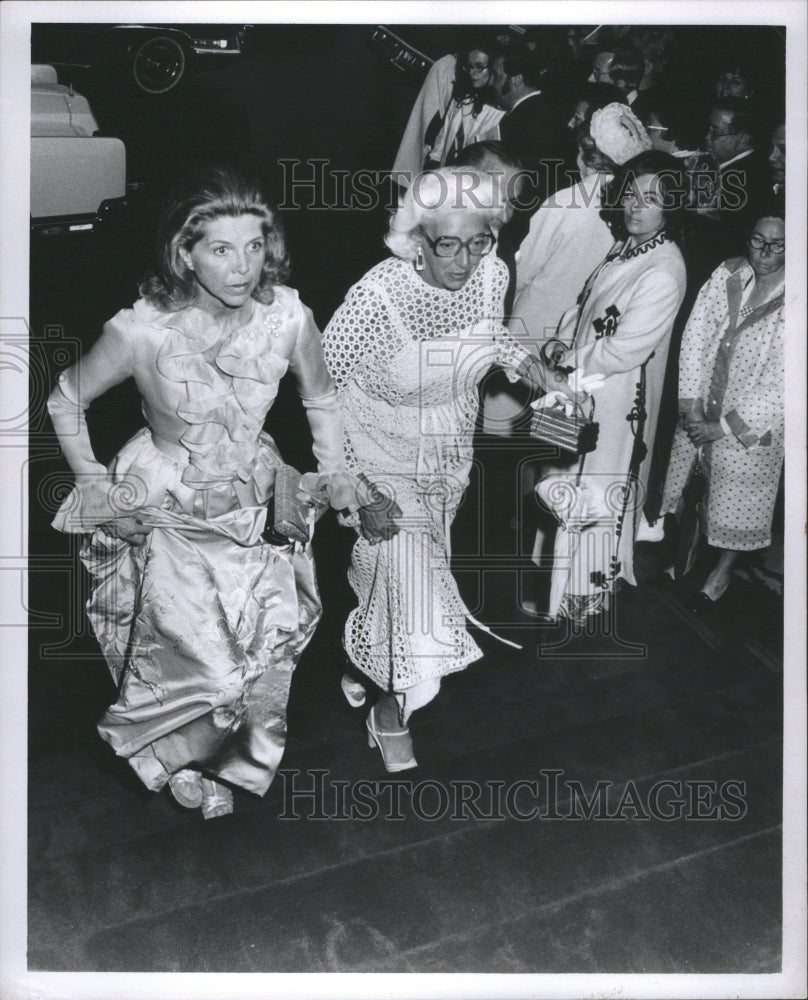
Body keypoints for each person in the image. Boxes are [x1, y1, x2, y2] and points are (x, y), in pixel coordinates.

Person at [46, 167, 386, 820]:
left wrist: (334, 466)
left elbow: (319, 395)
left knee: (265, 647)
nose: (242, 267)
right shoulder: (139, 329)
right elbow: (66, 400)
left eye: (255, 247)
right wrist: (94, 485)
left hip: (254, 498)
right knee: (195, 659)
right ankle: (174, 755)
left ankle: (223, 759)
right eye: (222, 250)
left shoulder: (288, 316)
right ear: (185, 253)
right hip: (166, 504)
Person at [322, 168, 556, 771]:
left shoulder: (491, 276)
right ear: (415, 240)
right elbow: (320, 397)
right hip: (377, 461)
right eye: (446, 244)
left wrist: (519, 360)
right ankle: (391, 711)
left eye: (479, 241)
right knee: (416, 595)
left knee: (395, 585)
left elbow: (490, 335)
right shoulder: (375, 301)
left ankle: (363, 663)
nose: (466, 259)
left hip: (449, 459)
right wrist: (354, 484)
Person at [534, 151, 688, 621]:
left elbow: (626, 349)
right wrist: (561, 342)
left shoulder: (664, 268)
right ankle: (556, 590)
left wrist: (568, 364)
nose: (636, 206)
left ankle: (581, 599)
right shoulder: (625, 247)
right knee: (566, 486)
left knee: (597, 495)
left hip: (616, 399)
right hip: (585, 389)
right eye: (633, 194)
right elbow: (583, 309)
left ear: (672, 207)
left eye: (652, 199)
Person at [488, 103, 651, 438]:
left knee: (505, 431)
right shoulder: (631, 211)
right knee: (553, 437)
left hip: (531, 329)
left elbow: (520, 273)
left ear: (584, 154)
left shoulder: (565, 201)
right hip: (580, 341)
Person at [660, 206, 785, 612]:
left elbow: (783, 380)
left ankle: (722, 573)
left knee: (740, 498)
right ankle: (684, 558)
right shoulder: (727, 274)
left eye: (777, 245)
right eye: (757, 241)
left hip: (749, 419)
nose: (764, 252)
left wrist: (725, 427)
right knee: (693, 484)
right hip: (704, 404)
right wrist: (692, 408)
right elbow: (695, 335)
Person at [489, 43, 568, 244]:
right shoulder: (554, 109)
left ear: (516, 79)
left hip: (518, 224)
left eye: (497, 76)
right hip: (548, 221)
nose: (493, 83)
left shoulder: (515, 122)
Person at [422, 43, 504, 170]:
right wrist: (433, 163)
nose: (472, 72)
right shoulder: (460, 100)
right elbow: (442, 139)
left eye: (479, 67)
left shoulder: (498, 113)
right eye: (469, 66)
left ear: (493, 71)